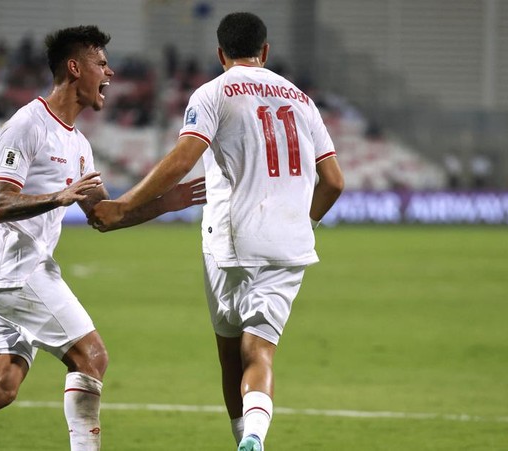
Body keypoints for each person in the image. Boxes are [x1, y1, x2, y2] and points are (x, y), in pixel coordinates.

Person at [0, 25, 205, 451]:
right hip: (18, 272)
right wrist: (58, 196)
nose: (110, 72)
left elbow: (103, 216)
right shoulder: (25, 126)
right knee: (92, 357)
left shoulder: (79, 144)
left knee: (1, 386)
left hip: (12, 276)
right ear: (74, 67)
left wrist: (166, 203)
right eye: (100, 63)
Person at [91, 12, 344, 451]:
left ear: (220, 53)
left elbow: (183, 158)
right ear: (265, 52)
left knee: (230, 354)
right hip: (290, 246)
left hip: (231, 241)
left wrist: (126, 202)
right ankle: (255, 437)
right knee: (260, 352)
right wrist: (305, 224)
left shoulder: (213, 93)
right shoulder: (302, 100)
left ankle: (240, 437)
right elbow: (335, 182)